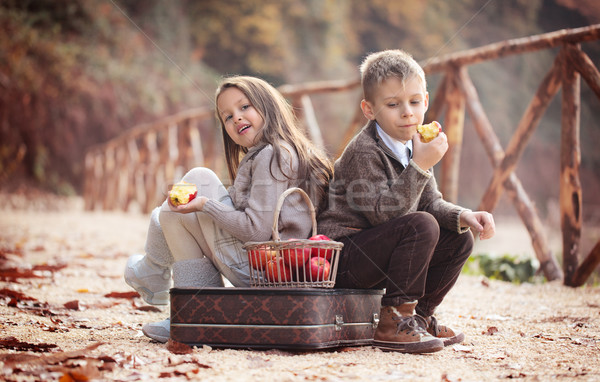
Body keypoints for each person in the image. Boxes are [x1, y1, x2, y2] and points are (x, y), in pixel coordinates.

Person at [125, 75, 333, 342]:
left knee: (200, 178)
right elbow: (239, 212)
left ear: (268, 106)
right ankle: (193, 313)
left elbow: (256, 231)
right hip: (264, 269)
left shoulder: (274, 154)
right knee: (171, 213)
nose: (236, 118)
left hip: (267, 270)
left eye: (244, 107)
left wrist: (206, 204)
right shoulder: (268, 153)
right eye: (227, 116)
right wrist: (184, 210)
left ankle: (153, 271)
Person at [317, 49, 495, 354]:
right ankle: (393, 322)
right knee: (421, 225)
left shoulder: (415, 146)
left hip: (381, 249)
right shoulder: (364, 150)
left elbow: (429, 203)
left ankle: (419, 319)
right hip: (344, 256)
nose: (407, 113)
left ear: (425, 100)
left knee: (459, 238)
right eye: (393, 105)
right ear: (369, 109)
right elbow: (385, 217)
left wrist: (464, 215)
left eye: (414, 102)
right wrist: (420, 166)